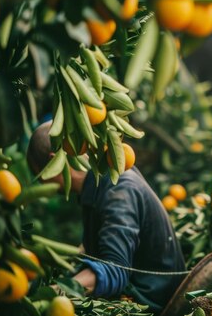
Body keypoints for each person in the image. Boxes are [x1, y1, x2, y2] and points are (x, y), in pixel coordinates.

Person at [26, 122, 185, 314]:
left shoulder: (119, 190)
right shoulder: (100, 181)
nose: (47, 189)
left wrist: (54, 294)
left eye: (42, 176)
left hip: (152, 304)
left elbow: (114, 271)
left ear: (54, 162)